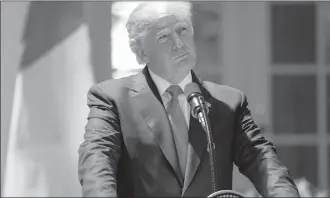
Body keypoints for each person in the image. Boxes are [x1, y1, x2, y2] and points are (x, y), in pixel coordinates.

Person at [78, 2, 300, 197]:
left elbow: (263, 163)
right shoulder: (111, 99)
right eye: (164, 36)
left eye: (182, 30)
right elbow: (97, 164)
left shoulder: (229, 102)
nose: (178, 43)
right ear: (141, 53)